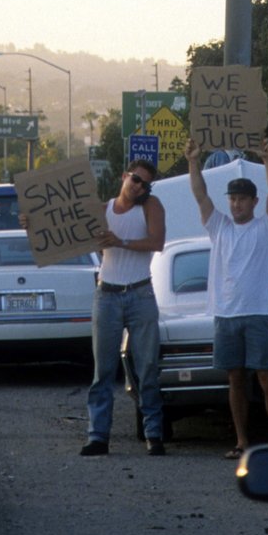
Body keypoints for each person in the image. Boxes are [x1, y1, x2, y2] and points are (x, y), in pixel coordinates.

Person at [184, 136, 268, 459]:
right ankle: (242, 442)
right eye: (233, 199)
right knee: (235, 379)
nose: (236, 204)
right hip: (225, 314)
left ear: (253, 201)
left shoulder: (267, 227)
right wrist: (192, 161)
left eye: (243, 199)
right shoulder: (219, 227)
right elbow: (200, 195)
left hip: (257, 313)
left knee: (267, 379)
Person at [80, 159, 167, 457]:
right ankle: (98, 436)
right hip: (107, 294)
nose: (139, 186)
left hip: (140, 292)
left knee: (147, 367)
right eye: (135, 179)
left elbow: (157, 241)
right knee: (103, 369)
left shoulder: (150, 206)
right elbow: (68, 234)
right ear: (124, 176)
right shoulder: (103, 210)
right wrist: (31, 223)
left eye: (145, 183)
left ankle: (153, 433)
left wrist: (121, 240)